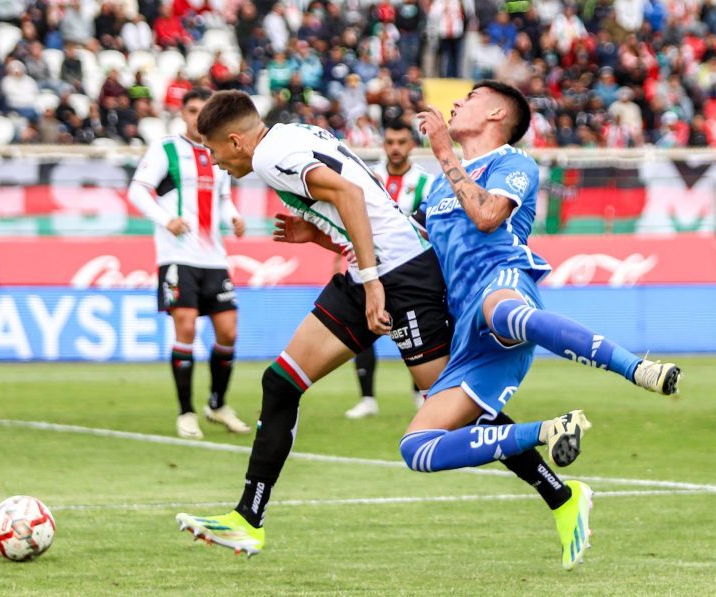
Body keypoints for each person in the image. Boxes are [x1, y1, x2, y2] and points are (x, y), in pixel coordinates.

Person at [400, 80, 681, 570]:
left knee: (505, 312)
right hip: (466, 331)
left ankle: (637, 368)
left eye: (469, 98)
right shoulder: (439, 186)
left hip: (503, 281)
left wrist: (444, 151)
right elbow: (411, 252)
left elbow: (488, 217)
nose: (457, 103)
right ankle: (551, 430)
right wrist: (319, 237)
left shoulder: (513, 163)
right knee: (416, 448)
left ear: (495, 115)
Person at [175, 90, 454, 556]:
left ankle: (560, 491)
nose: (215, 162)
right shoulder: (291, 133)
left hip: (401, 274)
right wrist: (320, 235)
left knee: (451, 406)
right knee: (281, 383)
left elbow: (347, 193)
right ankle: (248, 519)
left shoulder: (268, 159)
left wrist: (371, 283)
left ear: (237, 141)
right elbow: (357, 192)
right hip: (380, 267)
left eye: (214, 150)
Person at [127, 88, 250, 440]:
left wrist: (235, 217)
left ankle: (217, 403)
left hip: (214, 256)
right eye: (193, 110)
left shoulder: (219, 152)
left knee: (228, 332)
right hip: (177, 254)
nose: (198, 117)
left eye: (204, 111)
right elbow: (138, 190)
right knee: (185, 327)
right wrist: (167, 219)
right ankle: (186, 412)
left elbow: (223, 198)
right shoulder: (166, 149)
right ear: (182, 113)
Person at [345, 120, 436, 420]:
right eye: (390, 142)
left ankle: (420, 394)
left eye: (401, 142)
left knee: (418, 328)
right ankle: (367, 398)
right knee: (363, 329)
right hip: (370, 268)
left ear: (411, 145)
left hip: (411, 270)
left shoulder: (426, 181)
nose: (395, 148)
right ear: (383, 145)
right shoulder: (367, 176)